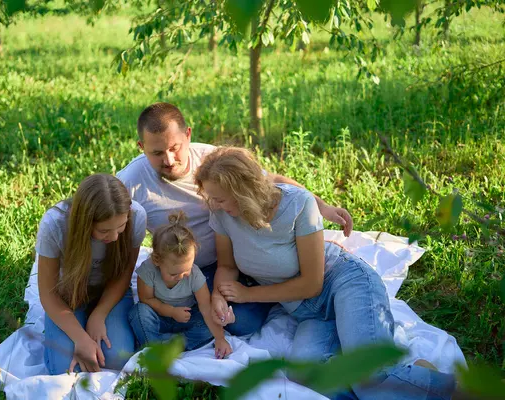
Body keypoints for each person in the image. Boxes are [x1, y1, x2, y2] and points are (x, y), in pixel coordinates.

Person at [194, 147, 457, 399]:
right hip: (307, 312)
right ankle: (417, 381)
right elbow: (227, 267)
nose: (213, 204)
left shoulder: (297, 204)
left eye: (218, 198)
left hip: (345, 283)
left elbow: (312, 284)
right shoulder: (223, 215)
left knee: (368, 373)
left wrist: (248, 295)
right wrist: (219, 294)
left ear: (241, 191)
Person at [117, 102, 353, 336]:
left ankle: (260, 292)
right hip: (185, 268)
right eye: (156, 153)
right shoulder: (132, 179)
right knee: (215, 317)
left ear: (188, 135)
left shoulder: (212, 162)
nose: (168, 160)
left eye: (174, 148)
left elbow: (271, 181)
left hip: (232, 261)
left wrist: (322, 206)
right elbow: (103, 206)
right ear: (141, 147)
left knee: (238, 320)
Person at [36, 174, 146, 374]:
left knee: (114, 359)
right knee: (66, 368)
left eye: (120, 227)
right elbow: (47, 293)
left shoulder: (137, 216)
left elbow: (123, 274)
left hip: (111, 292)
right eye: (104, 231)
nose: (113, 237)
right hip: (69, 295)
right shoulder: (55, 224)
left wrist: (99, 315)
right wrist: (80, 337)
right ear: (85, 222)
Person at [128, 211, 233, 359]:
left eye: (186, 270)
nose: (181, 276)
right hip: (159, 317)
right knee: (139, 313)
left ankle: (166, 344)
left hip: (186, 318)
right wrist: (171, 311)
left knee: (206, 328)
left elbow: (205, 307)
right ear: (157, 261)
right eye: (173, 274)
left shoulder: (195, 275)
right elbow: (146, 300)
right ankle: (155, 345)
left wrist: (220, 339)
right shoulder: (148, 271)